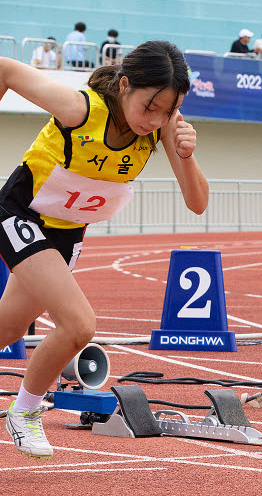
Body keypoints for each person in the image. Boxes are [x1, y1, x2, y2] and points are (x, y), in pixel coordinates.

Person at [0, 41, 210, 459]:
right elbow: (5, 69)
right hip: (22, 213)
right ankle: (24, 412)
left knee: (5, 331)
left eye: (168, 110)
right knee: (79, 325)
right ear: (126, 85)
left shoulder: (164, 126)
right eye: (150, 107)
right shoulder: (81, 109)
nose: (156, 120)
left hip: (66, 233)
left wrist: (186, 154)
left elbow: (198, 203)